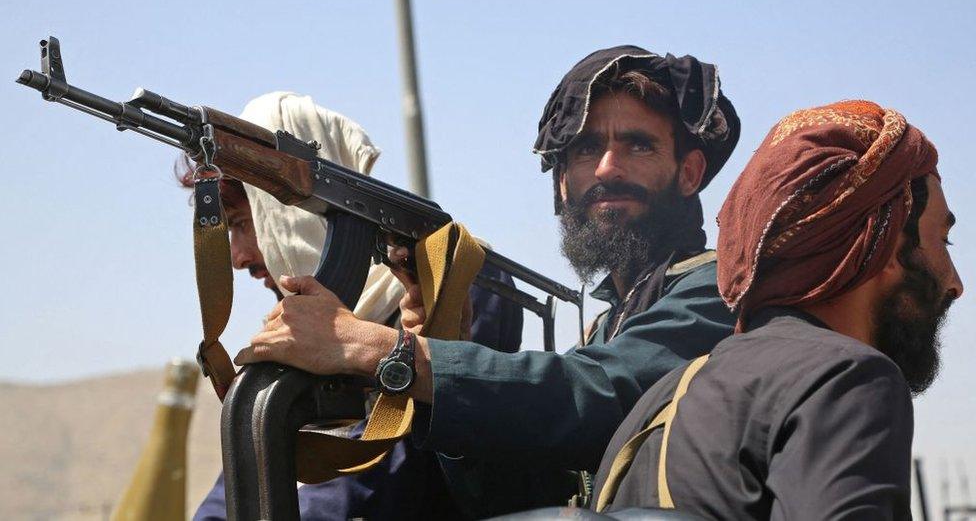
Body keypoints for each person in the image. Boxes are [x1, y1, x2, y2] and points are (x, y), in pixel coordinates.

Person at [233, 46, 742, 514]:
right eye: (586, 150)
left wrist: (385, 351)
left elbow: (601, 390)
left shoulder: (717, 291)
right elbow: (530, 497)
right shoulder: (613, 321)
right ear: (562, 184)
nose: (608, 168)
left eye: (639, 146)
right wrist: (443, 354)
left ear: (689, 172)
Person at [590, 100, 963, 520]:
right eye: (942, 243)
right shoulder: (846, 378)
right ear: (889, 242)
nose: (956, 284)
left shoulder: (656, 402)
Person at [184, 92, 523, 520]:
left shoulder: (459, 283)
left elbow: (375, 468)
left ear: (287, 215)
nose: (239, 257)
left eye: (242, 224)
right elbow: (255, 460)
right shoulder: (307, 332)